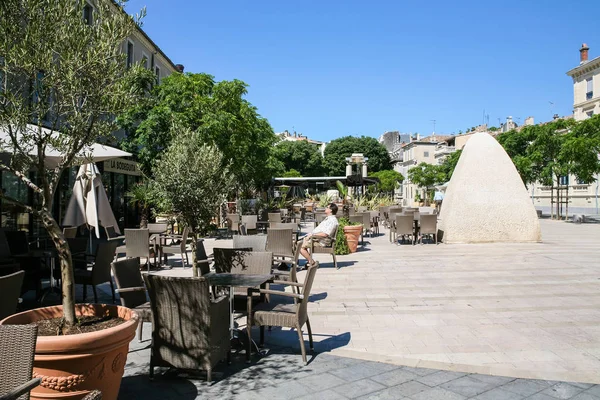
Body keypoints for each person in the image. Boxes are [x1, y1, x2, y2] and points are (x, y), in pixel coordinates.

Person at [299, 202, 338, 268]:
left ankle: (311, 262)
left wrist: (312, 235)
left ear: (331, 210)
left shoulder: (332, 220)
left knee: (299, 246)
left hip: (320, 241)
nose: (325, 208)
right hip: (316, 239)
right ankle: (308, 261)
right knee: (296, 243)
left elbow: (325, 234)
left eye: (327, 207)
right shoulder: (329, 219)